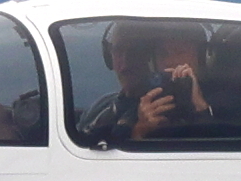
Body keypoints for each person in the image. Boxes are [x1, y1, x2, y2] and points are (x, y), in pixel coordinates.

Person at [77, 19, 219, 148]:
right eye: (118, 50)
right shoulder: (102, 106)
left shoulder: (222, 106)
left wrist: (201, 111)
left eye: (134, 52)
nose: (125, 63)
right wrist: (138, 131)